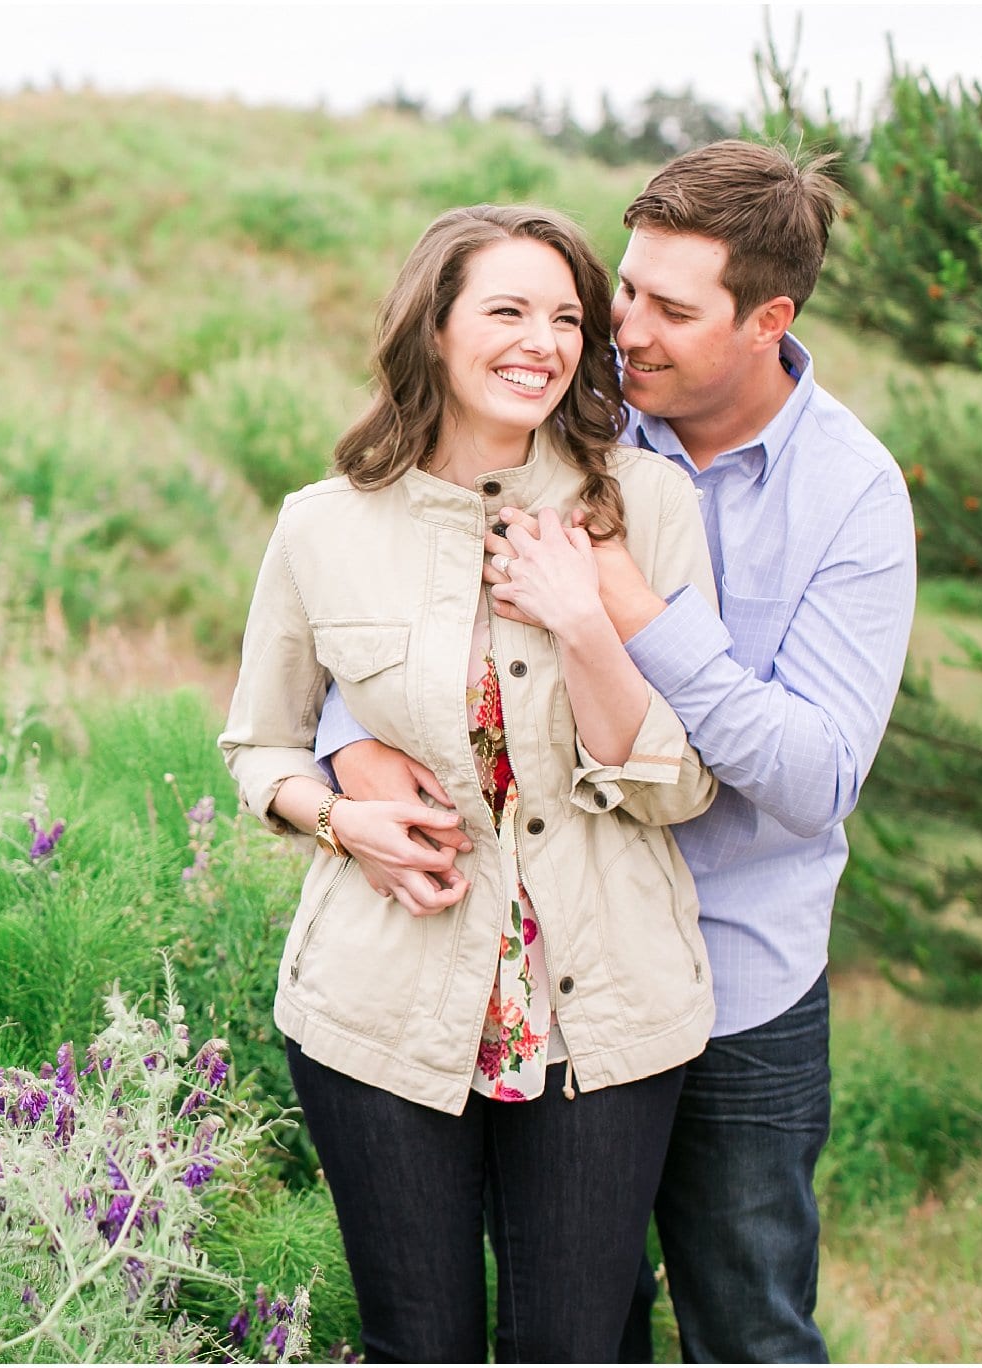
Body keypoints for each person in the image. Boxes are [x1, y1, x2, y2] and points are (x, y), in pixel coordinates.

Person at [315, 142, 918, 1363]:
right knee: (577, 1329)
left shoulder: (849, 496)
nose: (619, 329)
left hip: (737, 979)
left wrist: (636, 617)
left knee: (746, 1324)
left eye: (667, 309)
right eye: (623, 290)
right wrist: (345, 753)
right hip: (540, 961)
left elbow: (812, 781)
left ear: (767, 322)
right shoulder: (572, 402)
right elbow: (387, 593)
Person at [218, 202, 723, 1362]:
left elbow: (679, 785)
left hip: (601, 1008)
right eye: (505, 310)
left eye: (564, 317)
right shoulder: (321, 527)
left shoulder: (641, 506)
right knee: (418, 1339)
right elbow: (259, 746)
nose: (540, 341)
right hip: (380, 1004)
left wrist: (584, 623)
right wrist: (342, 818)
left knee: (578, 1341)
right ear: (432, 329)